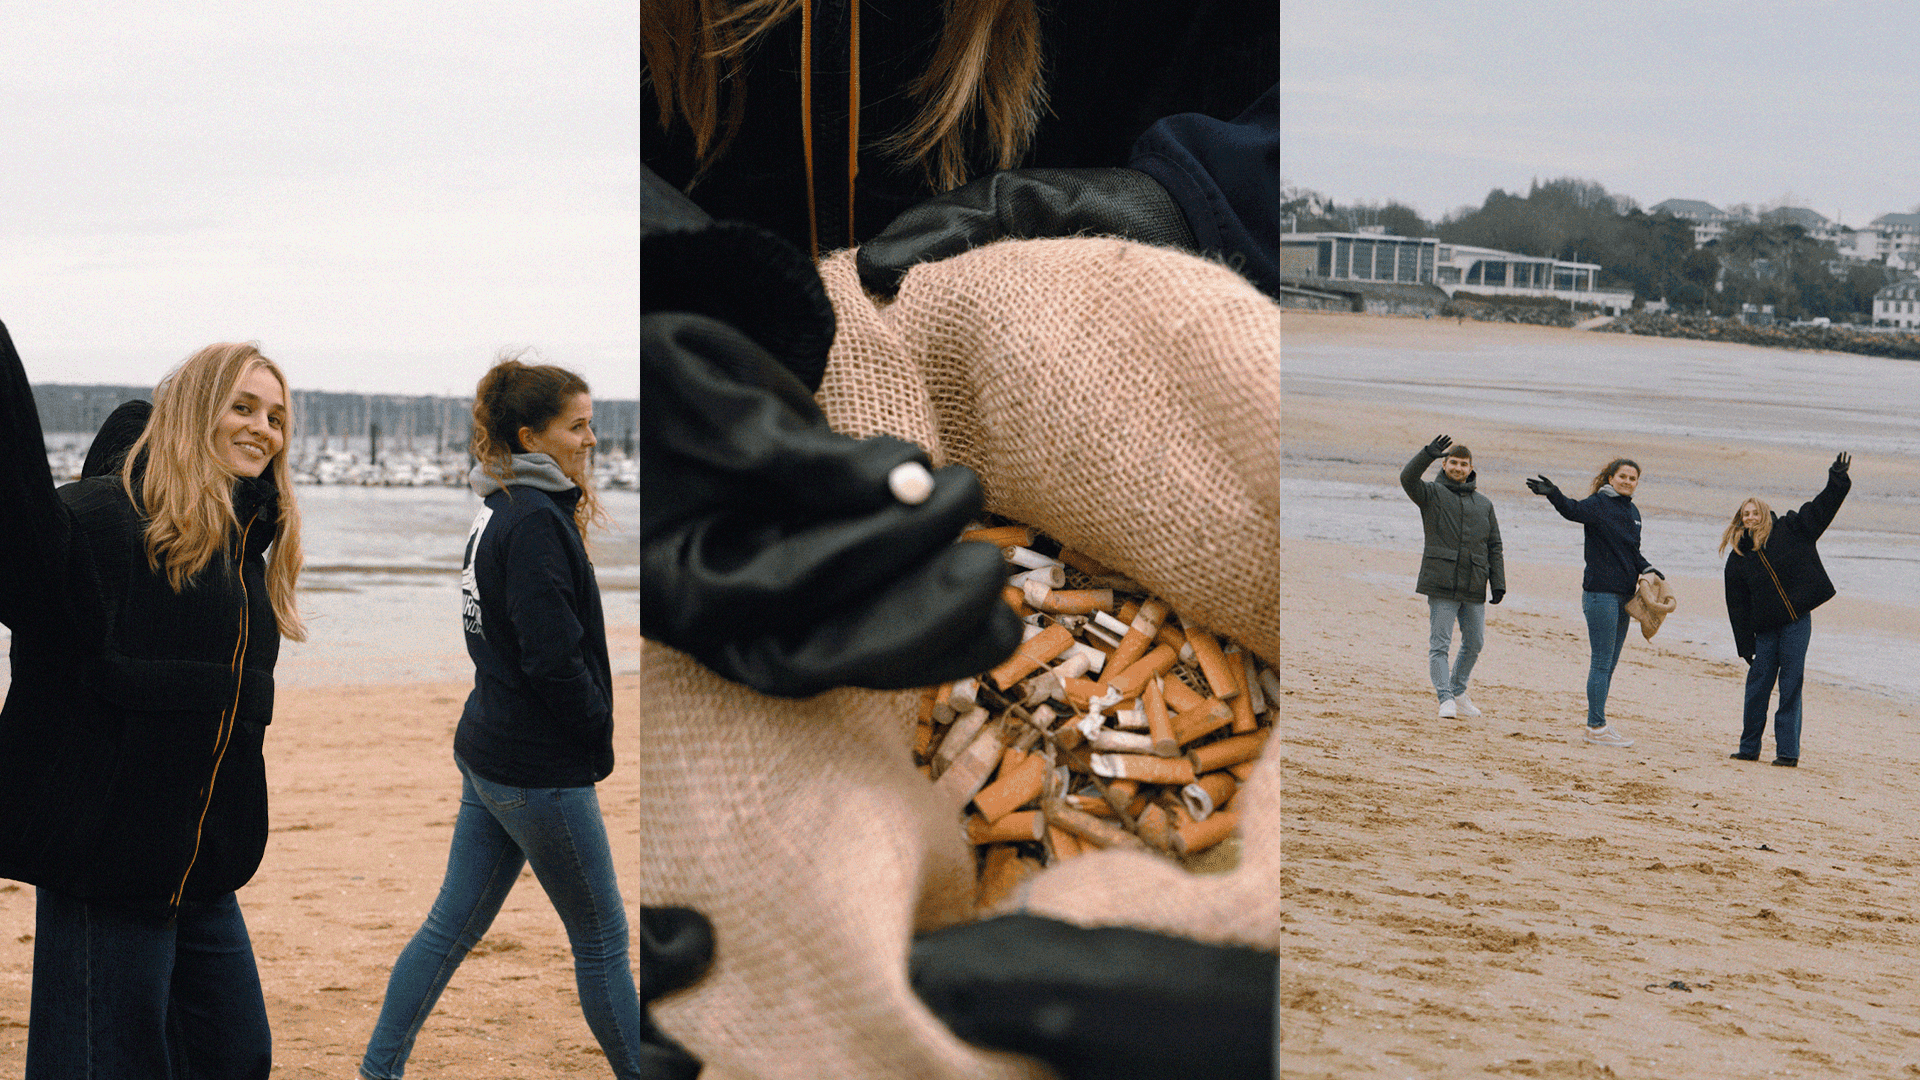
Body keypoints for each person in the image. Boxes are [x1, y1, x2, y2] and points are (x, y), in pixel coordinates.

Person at [0, 323, 304, 1079]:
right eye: (242, 406)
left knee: (235, 1054)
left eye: (275, 417)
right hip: (106, 869)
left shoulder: (245, 554)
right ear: (197, 410)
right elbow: (21, 547)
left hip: (204, 873)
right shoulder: (103, 522)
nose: (261, 429)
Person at [359, 356, 643, 1079]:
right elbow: (554, 659)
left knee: (450, 926)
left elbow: (491, 633)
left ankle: (376, 1071)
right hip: (535, 768)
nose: (592, 440)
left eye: (593, 424)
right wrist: (596, 736)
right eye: (577, 426)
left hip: (491, 751)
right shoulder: (535, 523)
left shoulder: (498, 506)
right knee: (604, 939)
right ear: (531, 434)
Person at [1720, 453, 1852, 767]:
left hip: (1796, 624)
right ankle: (1748, 748)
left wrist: (1837, 478)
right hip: (1764, 632)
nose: (1750, 517)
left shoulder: (1792, 529)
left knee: (1791, 686)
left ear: (1765, 513)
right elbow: (1736, 606)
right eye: (1745, 514)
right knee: (1757, 689)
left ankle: (1787, 753)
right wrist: (1744, 644)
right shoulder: (1738, 557)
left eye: (1755, 512)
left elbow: (1823, 508)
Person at [1526, 458, 1662, 748]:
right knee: (1601, 663)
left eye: (1632, 478)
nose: (1627, 481)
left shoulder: (1633, 511)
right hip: (1600, 594)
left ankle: (1597, 723)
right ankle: (1595, 727)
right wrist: (1553, 494)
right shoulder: (1599, 504)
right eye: (1622, 476)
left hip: (1625, 597)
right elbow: (1572, 510)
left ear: (1637, 482)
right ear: (1610, 478)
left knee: (1609, 665)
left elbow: (1631, 552)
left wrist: (1648, 568)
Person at [1401, 435, 1505, 718]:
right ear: (1445, 464)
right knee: (1440, 644)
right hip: (1441, 581)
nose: (1459, 468)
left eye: (1464, 464)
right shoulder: (1431, 494)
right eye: (1454, 463)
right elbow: (1407, 479)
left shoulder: (1484, 504)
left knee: (1475, 642)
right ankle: (1444, 697)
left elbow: (1494, 545)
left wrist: (1498, 582)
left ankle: (1458, 690)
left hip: (1474, 582)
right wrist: (1426, 455)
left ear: (1471, 468)